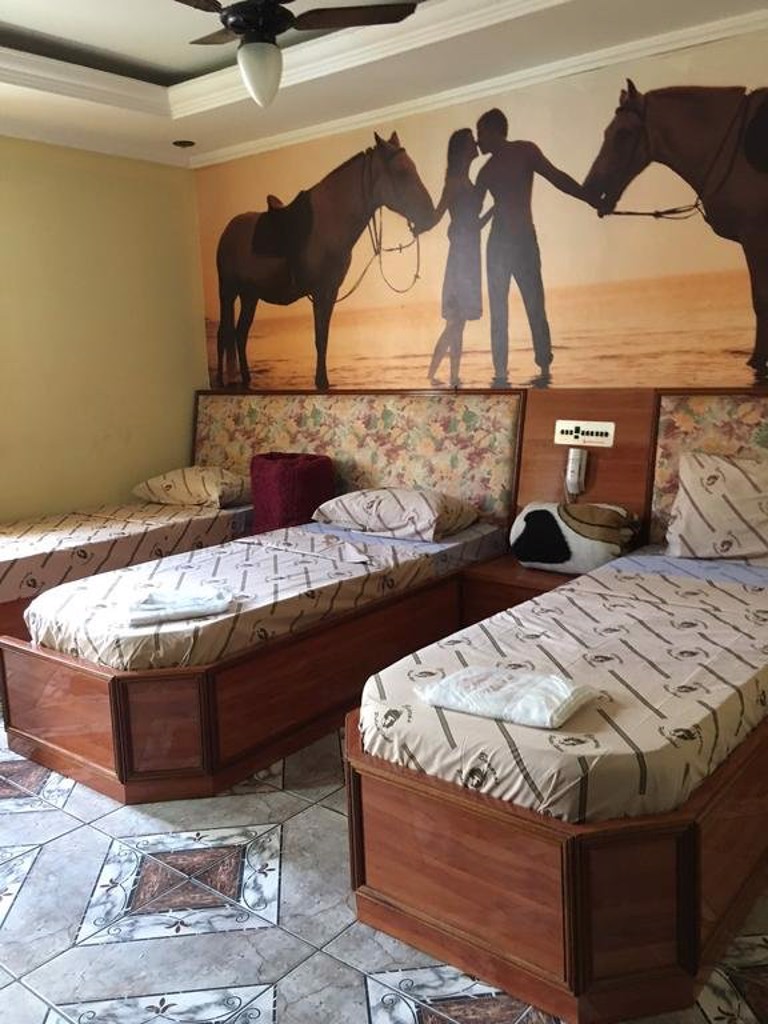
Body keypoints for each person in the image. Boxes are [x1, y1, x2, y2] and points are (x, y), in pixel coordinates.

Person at [475, 107, 594, 387]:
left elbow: (557, 177)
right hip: (499, 246)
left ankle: (544, 370)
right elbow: (471, 216)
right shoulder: (485, 171)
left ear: (494, 131)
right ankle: (501, 376)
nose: (479, 141)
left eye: (481, 133)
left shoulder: (524, 152)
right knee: (501, 312)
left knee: (535, 305)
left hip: (522, 242)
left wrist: (588, 197)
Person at [425, 128, 492, 388]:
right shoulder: (454, 182)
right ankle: (433, 375)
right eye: (471, 141)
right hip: (461, 259)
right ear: (463, 150)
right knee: (455, 323)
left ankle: (452, 377)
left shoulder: (465, 180)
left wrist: (495, 210)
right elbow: (438, 214)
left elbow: (474, 225)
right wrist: (420, 225)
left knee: (458, 323)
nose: (476, 143)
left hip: (469, 256)